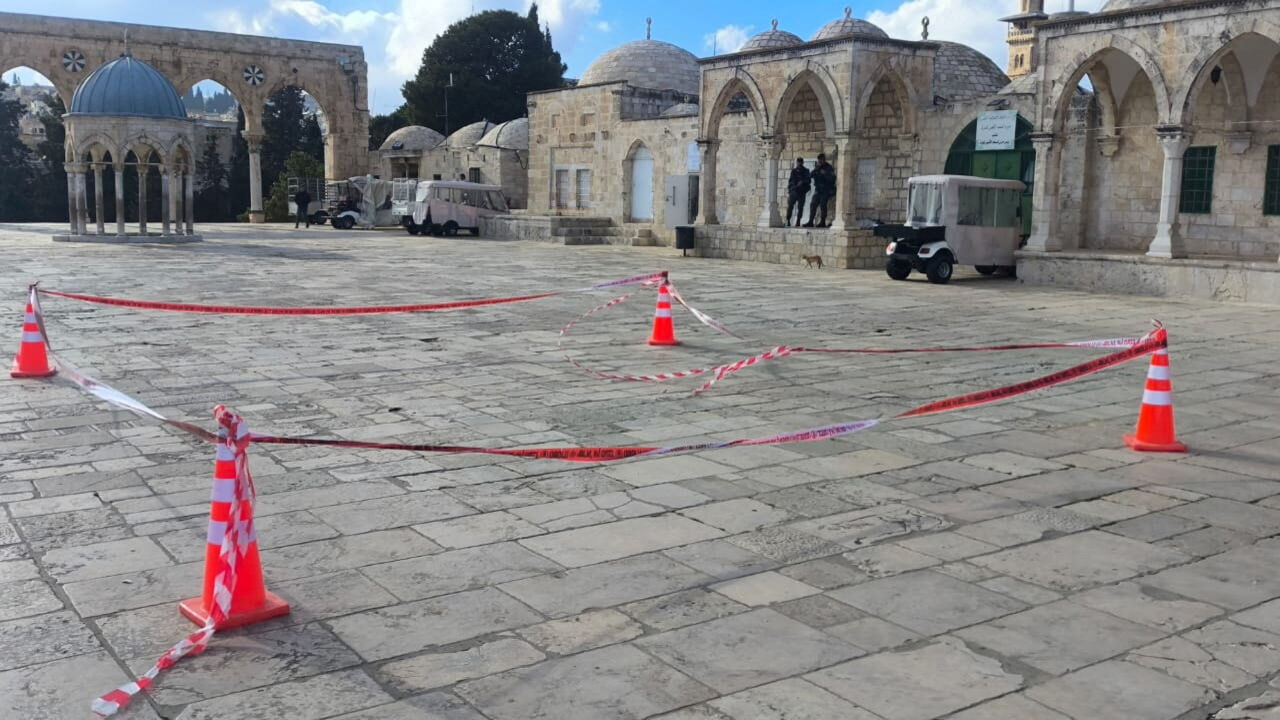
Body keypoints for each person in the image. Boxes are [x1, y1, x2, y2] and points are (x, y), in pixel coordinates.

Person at [805, 153, 836, 228]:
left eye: (821, 160)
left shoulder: (829, 167)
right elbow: (810, 175)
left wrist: (825, 174)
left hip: (826, 190)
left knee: (823, 204)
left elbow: (833, 179)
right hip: (818, 190)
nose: (820, 161)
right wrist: (816, 169)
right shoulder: (817, 167)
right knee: (813, 204)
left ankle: (822, 222)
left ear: (824, 159)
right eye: (819, 160)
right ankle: (810, 221)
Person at [785, 158, 810, 228]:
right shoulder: (794, 171)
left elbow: (808, 180)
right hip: (794, 191)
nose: (799, 164)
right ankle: (788, 220)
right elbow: (791, 181)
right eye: (798, 162)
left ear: (802, 163)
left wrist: (803, 182)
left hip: (802, 192)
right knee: (790, 206)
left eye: (800, 162)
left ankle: (798, 221)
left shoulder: (806, 171)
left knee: (800, 207)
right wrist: (793, 188)